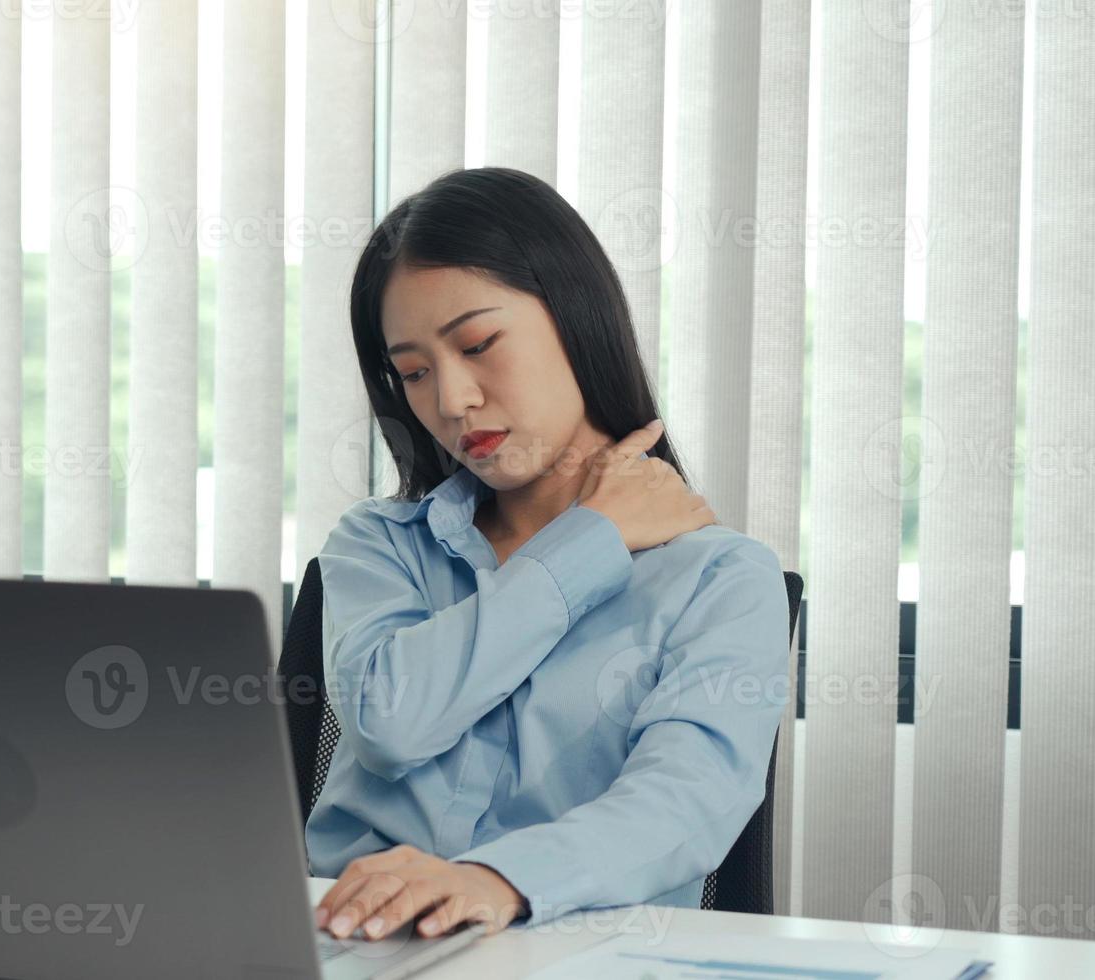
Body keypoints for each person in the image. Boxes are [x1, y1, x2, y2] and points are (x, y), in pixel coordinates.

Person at [307, 167, 790, 943]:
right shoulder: (379, 545)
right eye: (414, 373)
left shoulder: (722, 580)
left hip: (576, 952)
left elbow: (685, 804)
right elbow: (389, 722)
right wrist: (589, 543)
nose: (452, 400)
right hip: (350, 943)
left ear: (575, 315)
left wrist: (494, 881)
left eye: (478, 344)